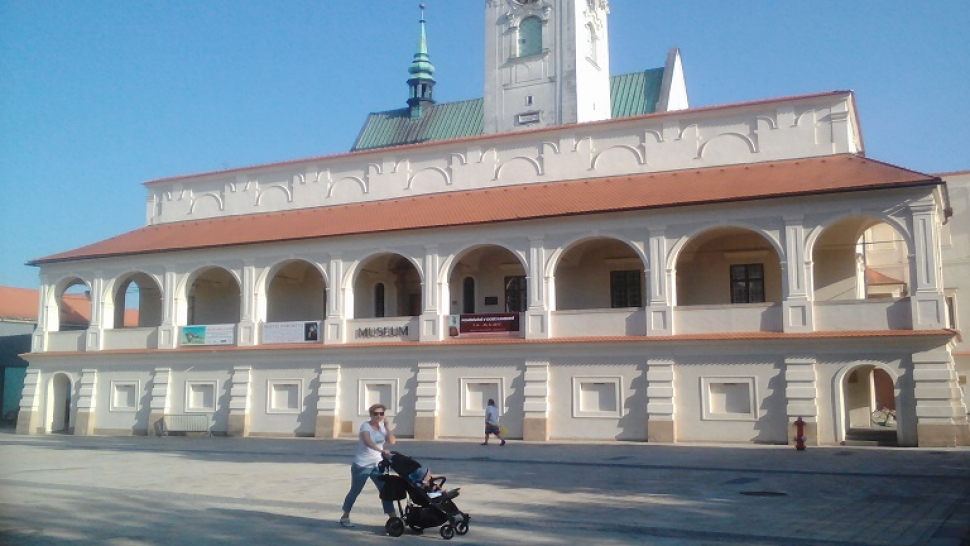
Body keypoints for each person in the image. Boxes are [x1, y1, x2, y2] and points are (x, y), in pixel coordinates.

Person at [340, 403, 396, 528]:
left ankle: (393, 518)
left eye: (381, 414)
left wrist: (387, 427)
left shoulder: (382, 426)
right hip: (362, 465)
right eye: (376, 414)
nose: (378, 416)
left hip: (377, 465)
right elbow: (367, 441)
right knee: (355, 490)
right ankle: (345, 515)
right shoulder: (365, 426)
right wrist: (381, 451)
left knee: (385, 491)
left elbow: (392, 441)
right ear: (371, 414)